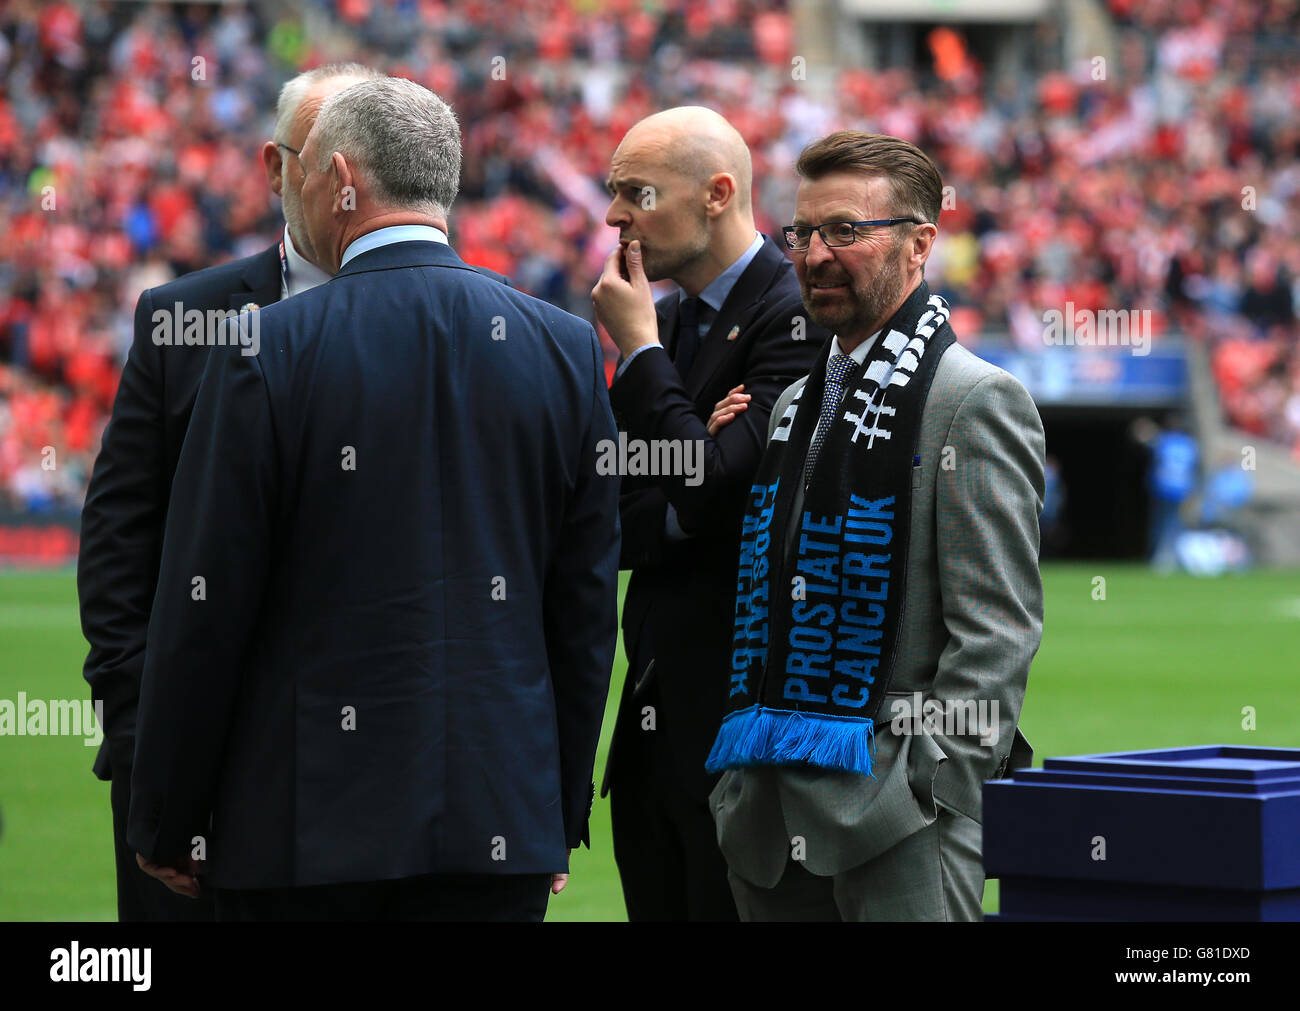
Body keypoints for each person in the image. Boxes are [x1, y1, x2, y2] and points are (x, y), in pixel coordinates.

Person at [125, 77, 620, 921]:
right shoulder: (564, 346)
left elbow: (204, 603)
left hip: (302, 830)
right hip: (496, 823)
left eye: (307, 171)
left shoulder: (262, 347)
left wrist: (170, 816)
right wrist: (553, 810)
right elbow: (582, 611)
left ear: (341, 177)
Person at [705, 131, 1045, 921]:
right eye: (802, 232)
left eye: (846, 231)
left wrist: (931, 786)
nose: (815, 254)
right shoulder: (792, 407)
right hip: (765, 815)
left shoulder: (972, 401)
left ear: (921, 243)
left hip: (898, 820)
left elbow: (996, 634)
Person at [77, 61, 385, 923]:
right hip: (195, 764)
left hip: (373, 775)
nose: (345, 187)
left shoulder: (453, 319)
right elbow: (119, 542)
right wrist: (141, 734)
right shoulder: (183, 318)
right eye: (323, 162)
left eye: (360, 162)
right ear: (274, 167)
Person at [591, 106, 828, 921]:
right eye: (612, 191)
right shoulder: (678, 313)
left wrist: (645, 357)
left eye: (637, 193)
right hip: (652, 730)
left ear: (719, 194)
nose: (614, 215)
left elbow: (718, 487)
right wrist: (698, 484)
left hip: (738, 736)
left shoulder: (795, 313)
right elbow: (605, 511)